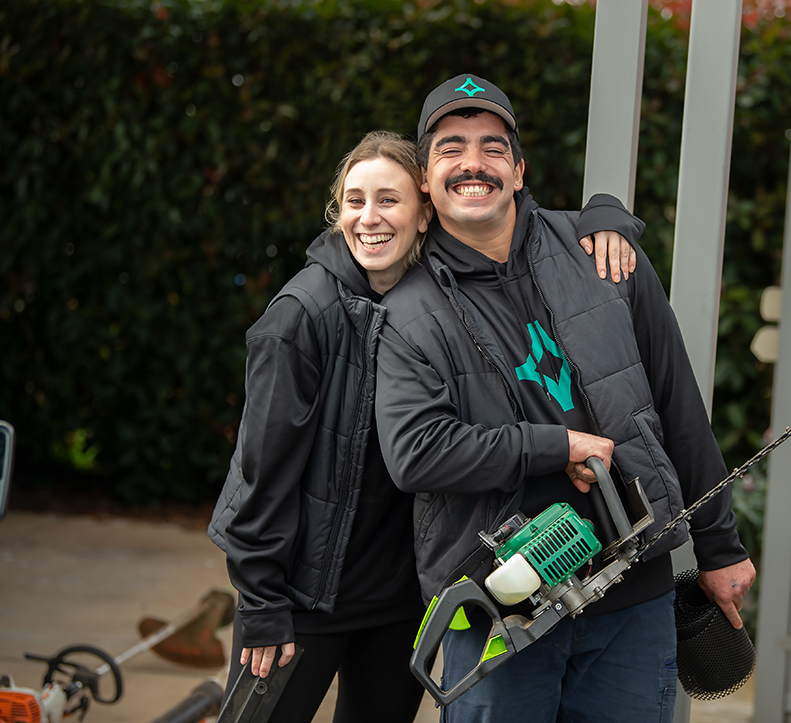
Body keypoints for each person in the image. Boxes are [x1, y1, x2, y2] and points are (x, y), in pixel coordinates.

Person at [207, 129, 639, 723]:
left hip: (399, 605)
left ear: (425, 213)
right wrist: (260, 603)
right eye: (354, 201)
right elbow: (260, 477)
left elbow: (525, 230)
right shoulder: (300, 317)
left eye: (389, 199)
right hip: (302, 599)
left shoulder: (433, 304)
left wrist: (606, 216)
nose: (369, 218)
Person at [375, 74, 758, 723]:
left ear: (519, 170)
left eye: (493, 147)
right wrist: (559, 446)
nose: (474, 163)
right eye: (451, 148)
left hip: (632, 597)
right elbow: (415, 455)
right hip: (499, 606)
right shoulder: (406, 310)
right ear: (423, 178)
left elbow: (677, 405)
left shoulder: (604, 257)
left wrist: (718, 545)